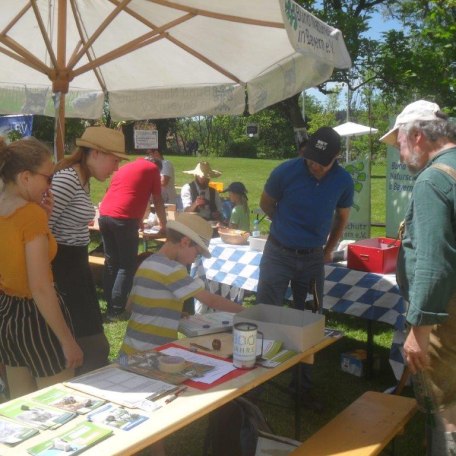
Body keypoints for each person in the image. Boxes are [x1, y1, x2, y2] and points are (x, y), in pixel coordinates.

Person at [256, 127, 354, 410]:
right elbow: (266, 203)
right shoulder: (285, 172)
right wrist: (286, 228)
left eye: (321, 162)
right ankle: (255, 385)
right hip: (277, 252)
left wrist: (327, 250)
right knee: (265, 313)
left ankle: (302, 387)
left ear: (336, 157)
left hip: (312, 259)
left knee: (310, 320)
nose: (314, 165)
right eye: (310, 159)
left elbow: (342, 218)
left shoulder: (343, 181)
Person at [380, 100, 456, 455]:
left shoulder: (433, 179)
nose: (400, 154)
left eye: (400, 145)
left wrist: (418, 331)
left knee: (445, 412)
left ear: (417, 136)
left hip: (446, 321)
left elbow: (432, 263)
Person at [0, 137, 83, 399]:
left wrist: (43, 220)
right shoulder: (30, 215)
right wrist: (68, 341)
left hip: (7, 314)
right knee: (58, 404)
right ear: (25, 177)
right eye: (48, 178)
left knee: (20, 404)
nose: (51, 185)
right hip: (36, 317)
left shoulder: (10, 208)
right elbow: (40, 287)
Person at [49, 126, 128, 375]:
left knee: (91, 339)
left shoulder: (82, 179)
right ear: (95, 153)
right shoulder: (67, 180)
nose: (116, 168)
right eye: (114, 160)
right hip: (63, 270)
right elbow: (40, 230)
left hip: (76, 267)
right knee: (89, 342)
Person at [119, 213, 242, 356]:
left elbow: (130, 306)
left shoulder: (148, 262)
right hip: (152, 352)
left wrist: (170, 310)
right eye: (197, 253)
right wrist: (245, 311)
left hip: (129, 350)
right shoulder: (173, 269)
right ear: (185, 242)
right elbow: (211, 300)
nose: (194, 260)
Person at [98, 154, 167, 320]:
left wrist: (138, 219)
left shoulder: (128, 167)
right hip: (123, 219)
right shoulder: (153, 170)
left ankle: (109, 304)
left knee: (111, 262)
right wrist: (164, 226)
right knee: (127, 265)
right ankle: (117, 309)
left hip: (105, 215)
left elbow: (131, 192)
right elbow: (157, 200)